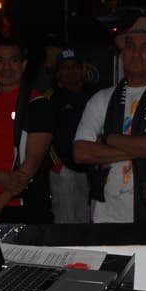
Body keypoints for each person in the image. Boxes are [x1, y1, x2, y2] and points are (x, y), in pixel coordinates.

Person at [74, 15, 146, 228]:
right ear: (122, 54)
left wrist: (110, 138)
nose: (136, 53)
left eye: (145, 48)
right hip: (106, 217)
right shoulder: (101, 99)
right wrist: (142, 147)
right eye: (130, 46)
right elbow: (81, 153)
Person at [0, 38, 54, 223]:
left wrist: (2, 200)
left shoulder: (37, 104)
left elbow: (33, 162)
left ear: (23, 65)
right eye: (0, 61)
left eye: (13, 60)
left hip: (27, 204)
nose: (7, 67)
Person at [46, 49, 93, 224]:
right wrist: (56, 163)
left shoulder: (94, 95)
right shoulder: (50, 98)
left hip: (91, 168)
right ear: (58, 72)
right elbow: (44, 135)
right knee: (66, 221)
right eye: (65, 67)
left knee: (87, 219)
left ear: (82, 69)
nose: (70, 71)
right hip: (64, 169)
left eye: (74, 66)